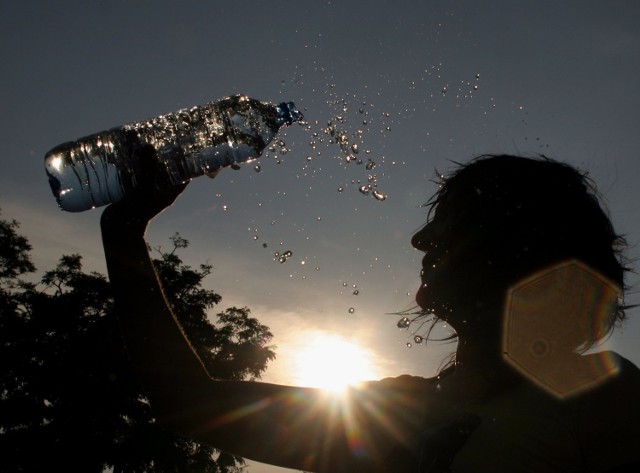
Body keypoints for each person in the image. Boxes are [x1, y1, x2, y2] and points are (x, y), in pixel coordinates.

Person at [101, 149, 640, 472]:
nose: (420, 239)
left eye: (451, 223)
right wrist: (124, 233)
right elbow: (189, 404)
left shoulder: (601, 397)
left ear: (521, 244)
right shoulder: (391, 411)